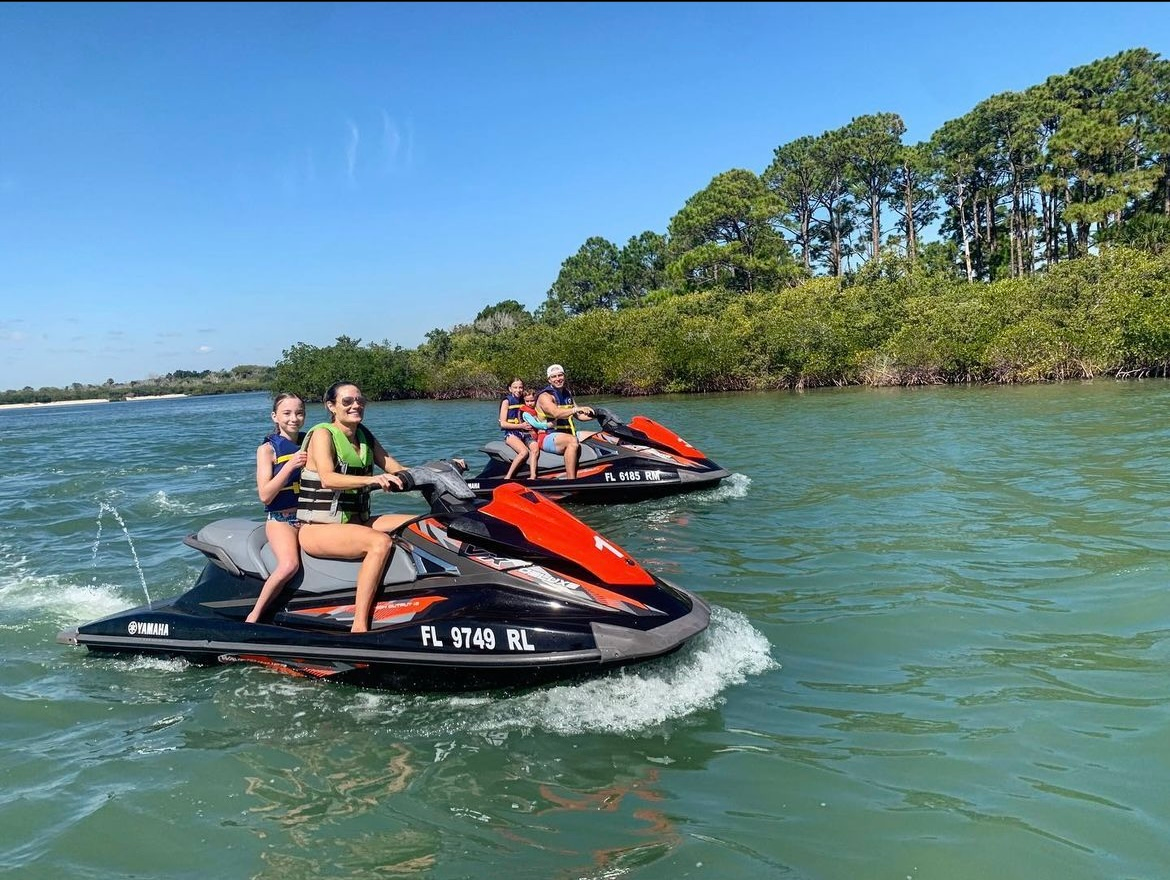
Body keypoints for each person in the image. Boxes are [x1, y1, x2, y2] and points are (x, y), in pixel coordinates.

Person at [295, 381, 414, 634]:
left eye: (360, 400)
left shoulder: (365, 435)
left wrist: (436, 472)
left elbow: (394, 466)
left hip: (356, 521)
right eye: (347, 402)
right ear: (332, 406)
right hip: (318, 528)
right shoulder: (322, 435)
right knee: (379, 542)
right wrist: (372, 479)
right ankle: (359, 625)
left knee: (421, 523)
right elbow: (328, 478)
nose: (356, 405)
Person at [246, 393, 309, 623]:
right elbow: (265, 494)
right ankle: (255, 615)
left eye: (299, 412)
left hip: (309, 517)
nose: (294, 418)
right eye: (287, 413)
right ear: (275, 416)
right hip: (281, 520)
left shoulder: (310, 441)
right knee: (289, 565)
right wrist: (290, 464)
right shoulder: (267, 450)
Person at [535, 364, 596, 480]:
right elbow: (556, 413)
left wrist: (597, 415)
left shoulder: (567, 393)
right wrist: (576, 409)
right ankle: (571, 481)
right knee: (572, 441)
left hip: (568, 433)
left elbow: (579, 416)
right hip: (547, 436)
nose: (558, 379)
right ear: (549, 379)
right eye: (554, 377)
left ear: (564, 376)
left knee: (598, 436)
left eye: (560, 375)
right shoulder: (545, 396)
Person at [497, 378, 532, 480]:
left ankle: (533, 475)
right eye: (515, 387)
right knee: (524, 452)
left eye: (520, 387)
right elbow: (503, 424)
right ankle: (508, 477)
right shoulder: (507, 401)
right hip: (511, 434)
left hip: (525, 433)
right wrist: (521, 426)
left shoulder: (525, 400)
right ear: (510, 389)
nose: (518, 390)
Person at [518, 389, 551, 480]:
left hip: (537, 434)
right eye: (527, 401)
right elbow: (535, 424)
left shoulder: (536, 410)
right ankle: (533, 475)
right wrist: (548, 425)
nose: (529, 403)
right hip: (528, 436)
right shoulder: (526, 413)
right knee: (535, 449)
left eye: (532, 401)